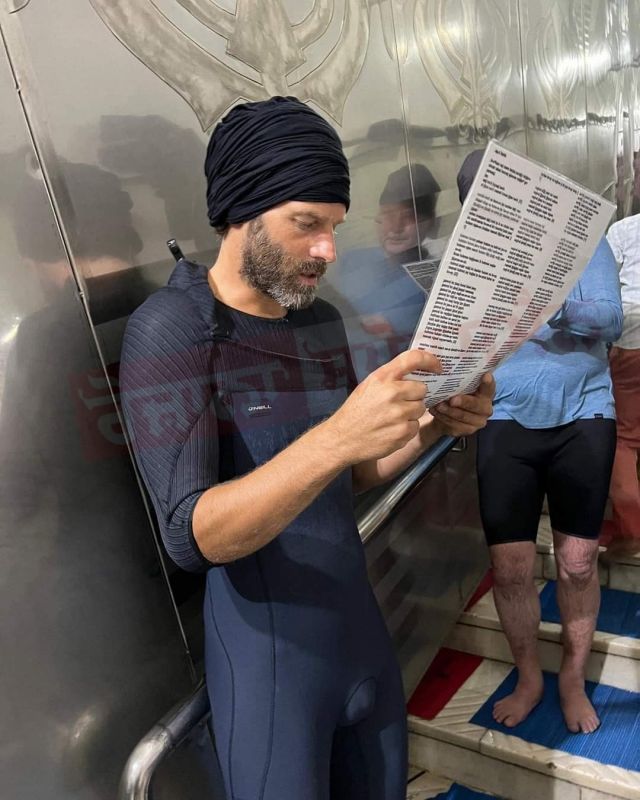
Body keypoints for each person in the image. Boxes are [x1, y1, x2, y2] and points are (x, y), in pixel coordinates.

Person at [119, 97, 495, 800]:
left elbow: (347, 475)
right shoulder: (173, 330)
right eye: (306, 224)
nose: (327, 249)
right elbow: (191, 535)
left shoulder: (319, 318)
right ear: (241, 211)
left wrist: (432, 426)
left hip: (359, 635)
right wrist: (337, 437)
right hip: (272, 668)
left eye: (333, 226)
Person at [458, 150, 624, 734]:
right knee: (509, 567)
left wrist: (546, 309)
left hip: (584, 413)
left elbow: (611, 319)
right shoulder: (474, 258)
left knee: (578, 562)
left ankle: (573, 677)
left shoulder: (581, 241)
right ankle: (530, 676)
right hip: (503, 415)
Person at [328, 163, 445, 380]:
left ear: (431, 224)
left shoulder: (435, 280)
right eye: (388, 214)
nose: (395, 227)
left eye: (409, 216)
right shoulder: (353, 261)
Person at [603, 214, 640, 556]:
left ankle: (631, 532)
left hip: (632, 342)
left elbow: (606, 284)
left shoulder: (625, 229)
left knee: (624, 439)